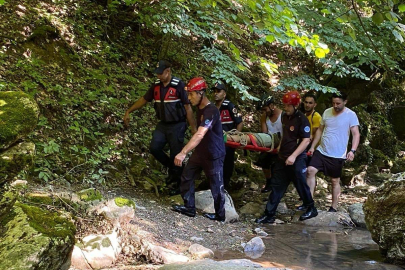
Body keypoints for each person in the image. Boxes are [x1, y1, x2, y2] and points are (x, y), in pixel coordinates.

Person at [123, 60, 197, 193]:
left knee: (176, 154)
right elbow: (144, 100)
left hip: (177, 124)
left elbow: (188, 107)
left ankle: (178, 184)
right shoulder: (156, 86)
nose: (158, 76)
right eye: (157, 74)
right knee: (155, 148)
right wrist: (129, 111)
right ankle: (172, 170)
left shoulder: (178, 85)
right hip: (163, 125)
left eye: (161, 73)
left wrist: (193, 127)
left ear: (168, 72)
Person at [256, 91, 318, 224]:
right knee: (277, 186)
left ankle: (311, 207)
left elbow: (306, 140)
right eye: (285, 105)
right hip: (282, 157)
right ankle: (269, 214)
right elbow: (285, 133)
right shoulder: (285, 117)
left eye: (289, 106)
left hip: (297, 158)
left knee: (301, 184)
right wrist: (279, 148)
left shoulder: (302, 120)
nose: (286, 108)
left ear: (295, 105)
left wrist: (294, 156)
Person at [172, 77, 226, 222]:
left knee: (216, 185)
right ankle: (189, 207)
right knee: (187, 175)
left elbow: (201, 133)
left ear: (201, 93)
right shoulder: (199, 108)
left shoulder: (212, 111)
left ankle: (220, 215)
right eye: (188, 94)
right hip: (201, 151)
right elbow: (197, 130)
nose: (189, 98)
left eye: (192, 94)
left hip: (213, 153)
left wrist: (183, 152)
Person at [307, 92, 360, 212]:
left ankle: (334, 207)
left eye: (338, 103)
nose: (335, 106)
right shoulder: (327, 112)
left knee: (335, 180)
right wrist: (312, 146)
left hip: (338, 154)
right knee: (310, 171)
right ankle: (309, 203)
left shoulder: (351, 115)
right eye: (333, 103)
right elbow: (320, 130)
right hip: (322, 150)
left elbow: (356, 134)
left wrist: (352, 151)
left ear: (345, 102)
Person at [213, 82, 243, 190]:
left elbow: (239, 122)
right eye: (215, 91)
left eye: (219, 91)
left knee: (227, 163)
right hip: (215, 141)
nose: (216, 94)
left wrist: (236, 137)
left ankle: (225, 184)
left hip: (228, 141)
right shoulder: (212, 108)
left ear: (224, 94)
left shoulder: (230, 106)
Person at [255, 95, 283, 193]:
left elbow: (287, 133)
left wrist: (280, 145)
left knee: (277, 164)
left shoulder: (282, 116)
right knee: (263, 160)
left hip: (282, 143)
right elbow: (264, 132)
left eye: (264, 109)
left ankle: (277, 184)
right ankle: (269, 182)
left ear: (271, 106)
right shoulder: (264, 117)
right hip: (270, 142)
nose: (264, 112)